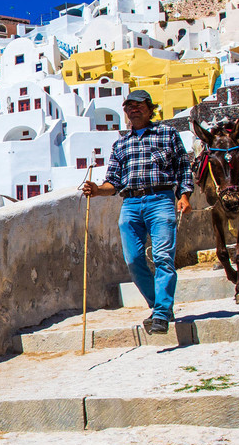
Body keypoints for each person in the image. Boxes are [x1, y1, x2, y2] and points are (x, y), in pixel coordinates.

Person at [81, 89, 194, 334]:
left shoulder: (168, 134)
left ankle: (162, 313)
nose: (133, 109)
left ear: (150, 108)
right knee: (133, 260)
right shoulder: (121, 143)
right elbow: (114, 182)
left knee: (163, 257)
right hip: (130, 205)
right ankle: (159, 307)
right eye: (129, 106)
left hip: (161, 199)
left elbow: (184, 168)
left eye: (139, 105)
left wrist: (183, 195)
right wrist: (97, 190)